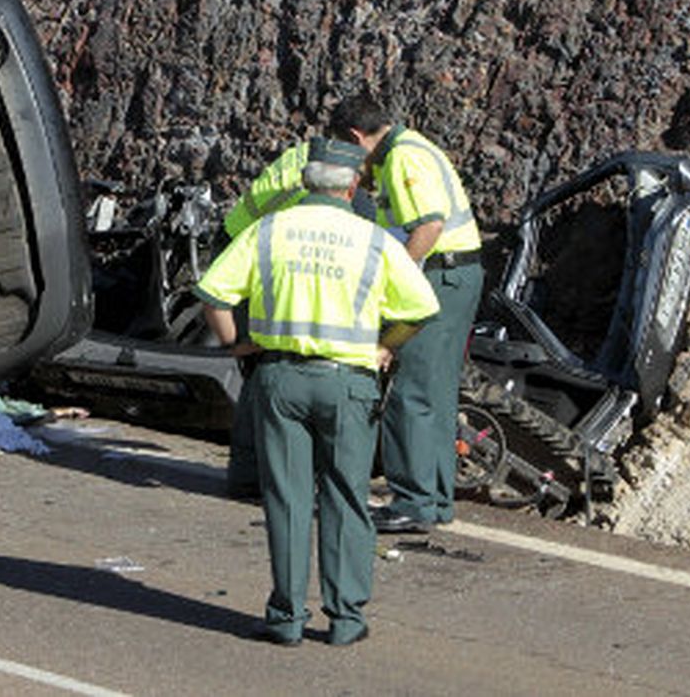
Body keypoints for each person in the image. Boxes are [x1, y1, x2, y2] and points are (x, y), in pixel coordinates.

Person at [194, 141, 439, 646]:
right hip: (348, 383)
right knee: (346, 497)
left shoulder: (268, 231)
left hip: (279, 377)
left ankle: (286, 617)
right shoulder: (373, 241)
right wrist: (383, 348)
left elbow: (214, 295)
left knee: (285, 496)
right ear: (351, 187)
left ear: (306, 183)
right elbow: (419, 310)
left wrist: (237, 346)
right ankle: (346, 617)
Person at [334, 94, 483, 534]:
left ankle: (415, 502)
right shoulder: (414, 146)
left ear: (355, 137)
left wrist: (398, 281)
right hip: (457, 276)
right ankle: (434, 499)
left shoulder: (401, 159)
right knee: (436, 391)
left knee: (410, 391)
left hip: (439, 277)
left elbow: (429, 226)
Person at [222, 132, 374, 499]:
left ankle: (248, 475)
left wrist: (234, 343)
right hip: (272, 261)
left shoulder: (301, 160)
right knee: (279, 374)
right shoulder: (347, 195)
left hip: (245, 247)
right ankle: (286, 477)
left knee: (260, 370)